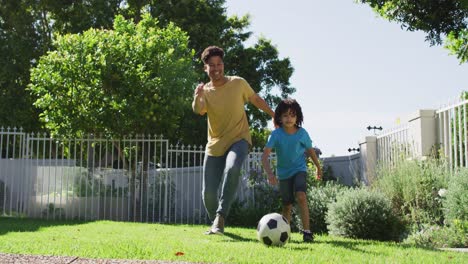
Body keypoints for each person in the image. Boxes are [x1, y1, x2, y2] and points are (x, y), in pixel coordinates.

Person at [192, 46, 275, 235]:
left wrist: (273, 115)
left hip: (239, 138)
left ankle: (220, 217)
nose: (216, 68)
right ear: (205, 68)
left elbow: (255, 98)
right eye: (211, 65)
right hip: (214, 145)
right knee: (208, 193)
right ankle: (216, 223)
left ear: (223, 64)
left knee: (232, 167)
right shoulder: (204, 90)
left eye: (219, 64)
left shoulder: (238, 83)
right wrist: (197, 96)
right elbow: (198, 109)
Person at [261, 98, 322, 242]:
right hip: (283, 173)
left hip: (299, 169)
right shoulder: (275, 135)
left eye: (292, 115)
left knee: (301, 196)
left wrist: (318, 167)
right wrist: (270, 174)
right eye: (285, 115)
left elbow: (311, 151)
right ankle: (285, 234)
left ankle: (307, 232)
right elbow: (264, 156)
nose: (289, 118)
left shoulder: (302, 133)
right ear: (279, 117)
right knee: (287, 205)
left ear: (298, 117)